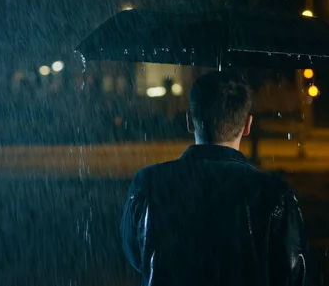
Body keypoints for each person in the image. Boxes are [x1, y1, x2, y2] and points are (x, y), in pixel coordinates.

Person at [120, 71, 314, 286]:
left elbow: (137, 254)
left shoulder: (148, 183)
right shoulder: (273, 194)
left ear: (190, 121)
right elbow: (292, 274)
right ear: (247, 125)